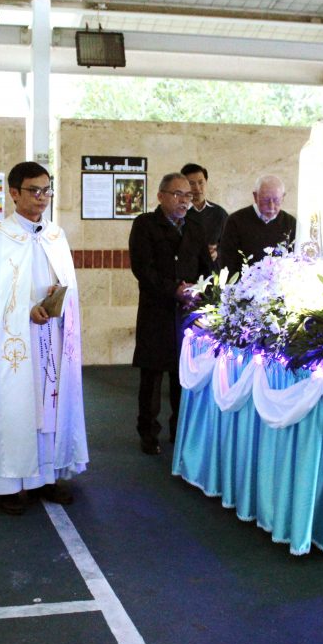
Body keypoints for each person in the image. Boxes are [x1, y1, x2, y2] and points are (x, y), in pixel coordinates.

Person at [0, 161, 88, 515]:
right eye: (33, 190)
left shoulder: (56, 237)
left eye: (47, 190)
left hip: (52, 340)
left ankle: (47, 476)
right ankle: (8, 482)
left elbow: (66, 284)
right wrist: (26, 309)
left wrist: (58, 294)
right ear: (14, 193)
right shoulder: (0, 239)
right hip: (16, 345)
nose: (42, 197)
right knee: (16, 405)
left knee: (52, 403)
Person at [129, 172, 212, 455]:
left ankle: (180, 431)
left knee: (183, 374)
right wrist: (173, 288)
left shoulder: (195, 227)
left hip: (187, 313)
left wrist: (201, 290)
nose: (184, 201)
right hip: (156, 309)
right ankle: (148, 434)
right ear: (161, 195)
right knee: (152, 376)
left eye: (188, 196)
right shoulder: (145, 225)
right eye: (178, 195)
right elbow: (143, 269)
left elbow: (206, 268)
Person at [218, 174, 297, 275]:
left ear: (283, 197)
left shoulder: (290, 223)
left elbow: (294, 260)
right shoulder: (235, 221)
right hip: (244, 287)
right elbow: (227, 261)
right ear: (255, 196)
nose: (271, 206)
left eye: (276, 200)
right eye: (266, 200)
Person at [181, 163, 227, 269]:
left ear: (206, 182)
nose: (197, 188)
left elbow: (230, 243)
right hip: (185, 278)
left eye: (201, 182)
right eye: (191, 183)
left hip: (214, 276)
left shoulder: (220, 213)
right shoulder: (178, 213)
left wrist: (217, 252)